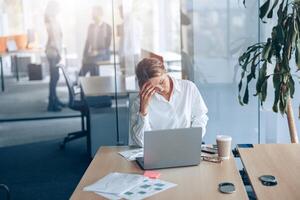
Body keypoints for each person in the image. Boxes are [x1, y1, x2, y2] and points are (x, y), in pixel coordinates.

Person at [130, 58, 209, 147]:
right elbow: (141, 142)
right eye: (153, 88)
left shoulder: (188, 88)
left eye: (162, 82)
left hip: (186, 147)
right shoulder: (139, 103)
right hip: (157, 152)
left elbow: (200, 116)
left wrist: (193, 139)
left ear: (165, 71)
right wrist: (143, 111)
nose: (161, 89)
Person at [79, 6, 112, 76]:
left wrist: (97, 52)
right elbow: (87, 42)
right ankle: (84, 78)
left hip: (103, 53)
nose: (92, 14)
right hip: (93, 54)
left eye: (94, 12)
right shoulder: (90, 26)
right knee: (88, 61)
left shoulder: (107, 27)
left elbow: (107, 45)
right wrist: (84, 56)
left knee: (92, 62)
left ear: (100, 14)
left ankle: (84, 78)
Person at [45, 0, 65, 111]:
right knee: (54, 78)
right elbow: (53, 39)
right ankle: (51, 103)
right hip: (53, 52)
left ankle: (54, 99)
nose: (59, 9)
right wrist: (59, 52)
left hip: (54, 51)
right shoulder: (50, 21)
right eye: (58, 7)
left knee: (55, 77)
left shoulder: (54, 19)